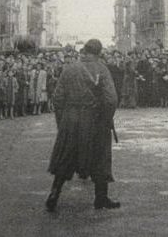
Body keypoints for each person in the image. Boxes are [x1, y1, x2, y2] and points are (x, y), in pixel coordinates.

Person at [46, 39, 120, 212]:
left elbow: (57, 98)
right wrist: (105, 119)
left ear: (84, 51)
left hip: (71, 120)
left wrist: (62, 121)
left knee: (65, 156)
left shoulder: (69, 69)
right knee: (100, 157)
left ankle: (54, 193)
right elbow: (111, 99)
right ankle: (101, 198)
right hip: (95, 120)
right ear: (99, 53)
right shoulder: (102, 69)